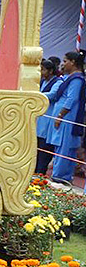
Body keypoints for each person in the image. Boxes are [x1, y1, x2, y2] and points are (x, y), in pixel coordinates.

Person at [49, 51, 86, 189]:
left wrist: (60, 115)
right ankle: (61, 176)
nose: (63, 64)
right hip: (65, 117)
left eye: (65, 61)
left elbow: (72, 99)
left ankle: (60, 177)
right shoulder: (70, 77)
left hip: (67, 118)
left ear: (73, 62)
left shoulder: (76, 79)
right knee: (61, 147)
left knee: (65, 147)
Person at [36, 57, 65, 176]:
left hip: (48, 119)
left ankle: (40, 173)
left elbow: (52, 95)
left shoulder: (58, 82)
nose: (41, 73)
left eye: (43, 70)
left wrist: (36, 95)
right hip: (39, 119)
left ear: (50, 71)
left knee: (44, 150)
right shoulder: (42, 81)